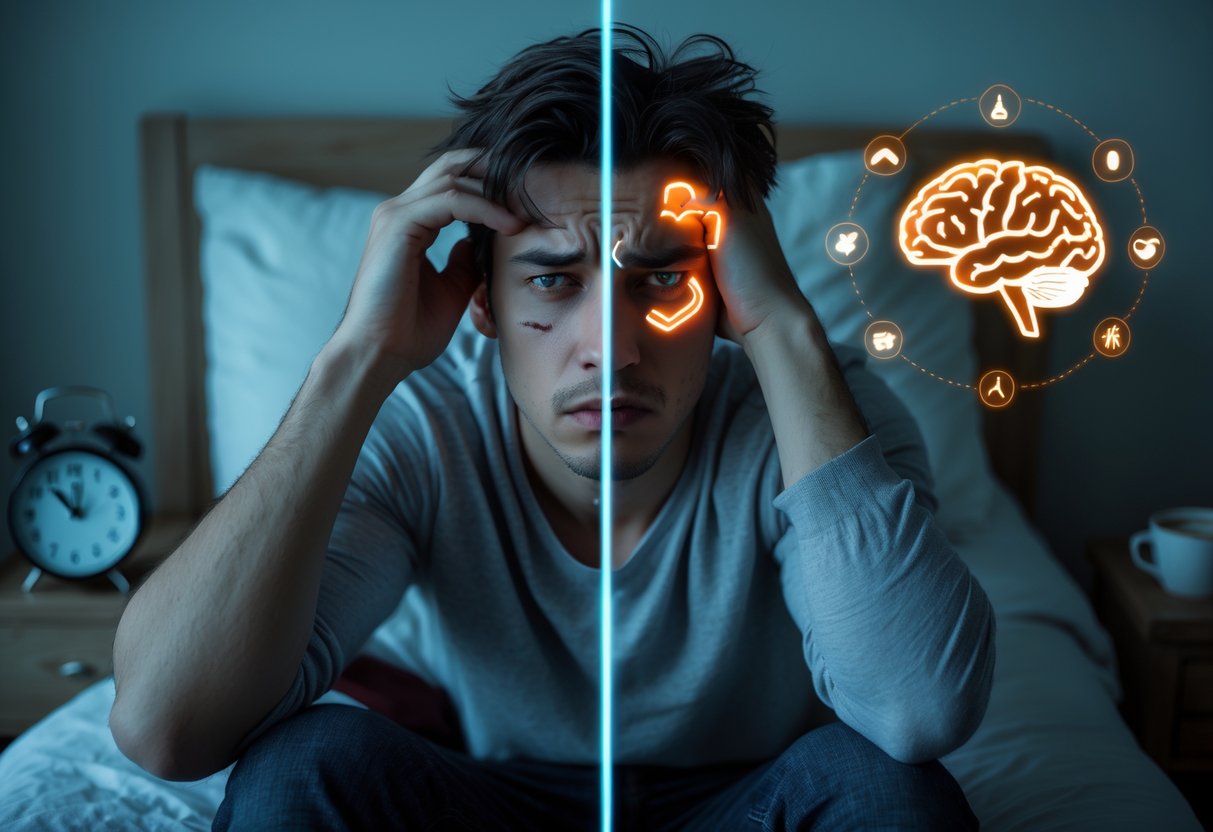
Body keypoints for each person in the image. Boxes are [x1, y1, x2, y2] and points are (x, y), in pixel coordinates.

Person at [110, 24, 993, 830]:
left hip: (749, 798)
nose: (609, 352)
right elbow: (167, 730)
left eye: (659, 280)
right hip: (491, 798)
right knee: (302, 765)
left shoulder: (824, 411)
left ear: (724, 286)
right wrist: (355, 361)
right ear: (482, 299)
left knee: (890, 792)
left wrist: (784, 331)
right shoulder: (424, 428)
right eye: (552, 280)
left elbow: (915, 712)